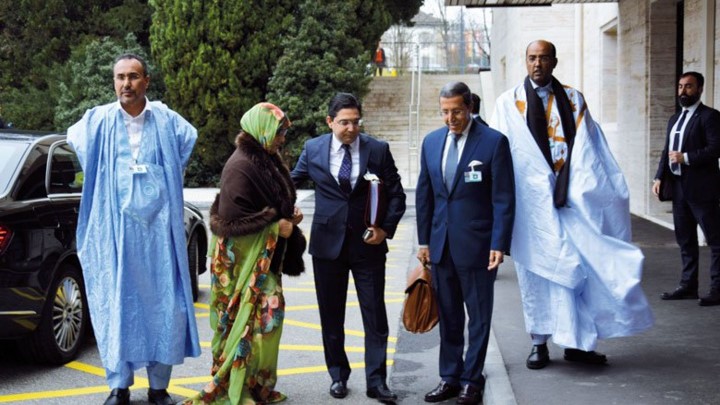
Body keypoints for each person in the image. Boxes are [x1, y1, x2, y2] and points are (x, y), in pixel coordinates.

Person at [491, 39, 654, 371]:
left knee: (577, 272)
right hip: (531, 205)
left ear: (554, 61)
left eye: (544, 58)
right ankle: (539, 342)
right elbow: (502, 153)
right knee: (537, 274)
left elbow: (590, 146)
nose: (537, 64)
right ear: (526, 61)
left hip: (572, 199)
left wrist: (580, 185)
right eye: (532, 58)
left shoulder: (574, 98)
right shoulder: (509, 102)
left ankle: (579, 343)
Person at [67, 53, 200, 405]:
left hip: (158, 233)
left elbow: (187, 140)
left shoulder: (168, 120)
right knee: (117, 305)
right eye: (120, 77)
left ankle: (159, 387)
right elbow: (73, 138)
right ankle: (119, 385)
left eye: (134, 77)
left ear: (146, 82)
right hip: (114, 233)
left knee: (165, 305)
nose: (126, 84)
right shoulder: (97, 121)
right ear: (114, 81)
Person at [183, 102, 306, 404]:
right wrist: (277, 227)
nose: (282, 139)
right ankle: (238, 385)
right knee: (259, 323)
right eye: (279, 132)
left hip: (263, 264)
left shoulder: (266, 158)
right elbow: (232, 224)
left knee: (266, 324)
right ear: (262, 130)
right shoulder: (241, 165)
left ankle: (256, 384)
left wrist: (290, 217)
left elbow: (269, 205)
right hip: (241, 268)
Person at [290, 92, 406, 403]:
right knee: (331, 315)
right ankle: (338, 375)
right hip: (328, 246)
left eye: (356, 122)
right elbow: (290, 183)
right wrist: (284, 208)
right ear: (330, 122)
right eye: (344, 122)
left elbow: (396, 194)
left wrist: (385, 230)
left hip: (368, 246)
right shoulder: (313, 148)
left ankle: (377, 381)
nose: (351, 128)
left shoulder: (377, 150)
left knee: (375, 316)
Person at [416, 81, 515, 405]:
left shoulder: (493, 143)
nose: (450, 118)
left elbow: (503, 199)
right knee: (449, 316)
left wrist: (499, 243)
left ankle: (472, 381)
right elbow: (425, 196)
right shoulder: (431, 143)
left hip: (477, 245)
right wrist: (423, 241)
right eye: (445, 112)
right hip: (441, 244)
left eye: (456, 111)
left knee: (479, 316)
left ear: (469, 107)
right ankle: (449, 377)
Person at [653, 71, 720, 306]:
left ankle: (717, 289)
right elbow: (666, 150)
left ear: (700, 89)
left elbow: (716, 148)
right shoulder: (675, 119)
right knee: (685, 239)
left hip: (703, 189)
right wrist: (659, 177)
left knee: (715, 239)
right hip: (679, 188)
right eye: (680, 86)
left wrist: (686, 157)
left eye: (688, 87)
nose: (683, 91)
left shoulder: (710, 117)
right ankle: (688, 286)